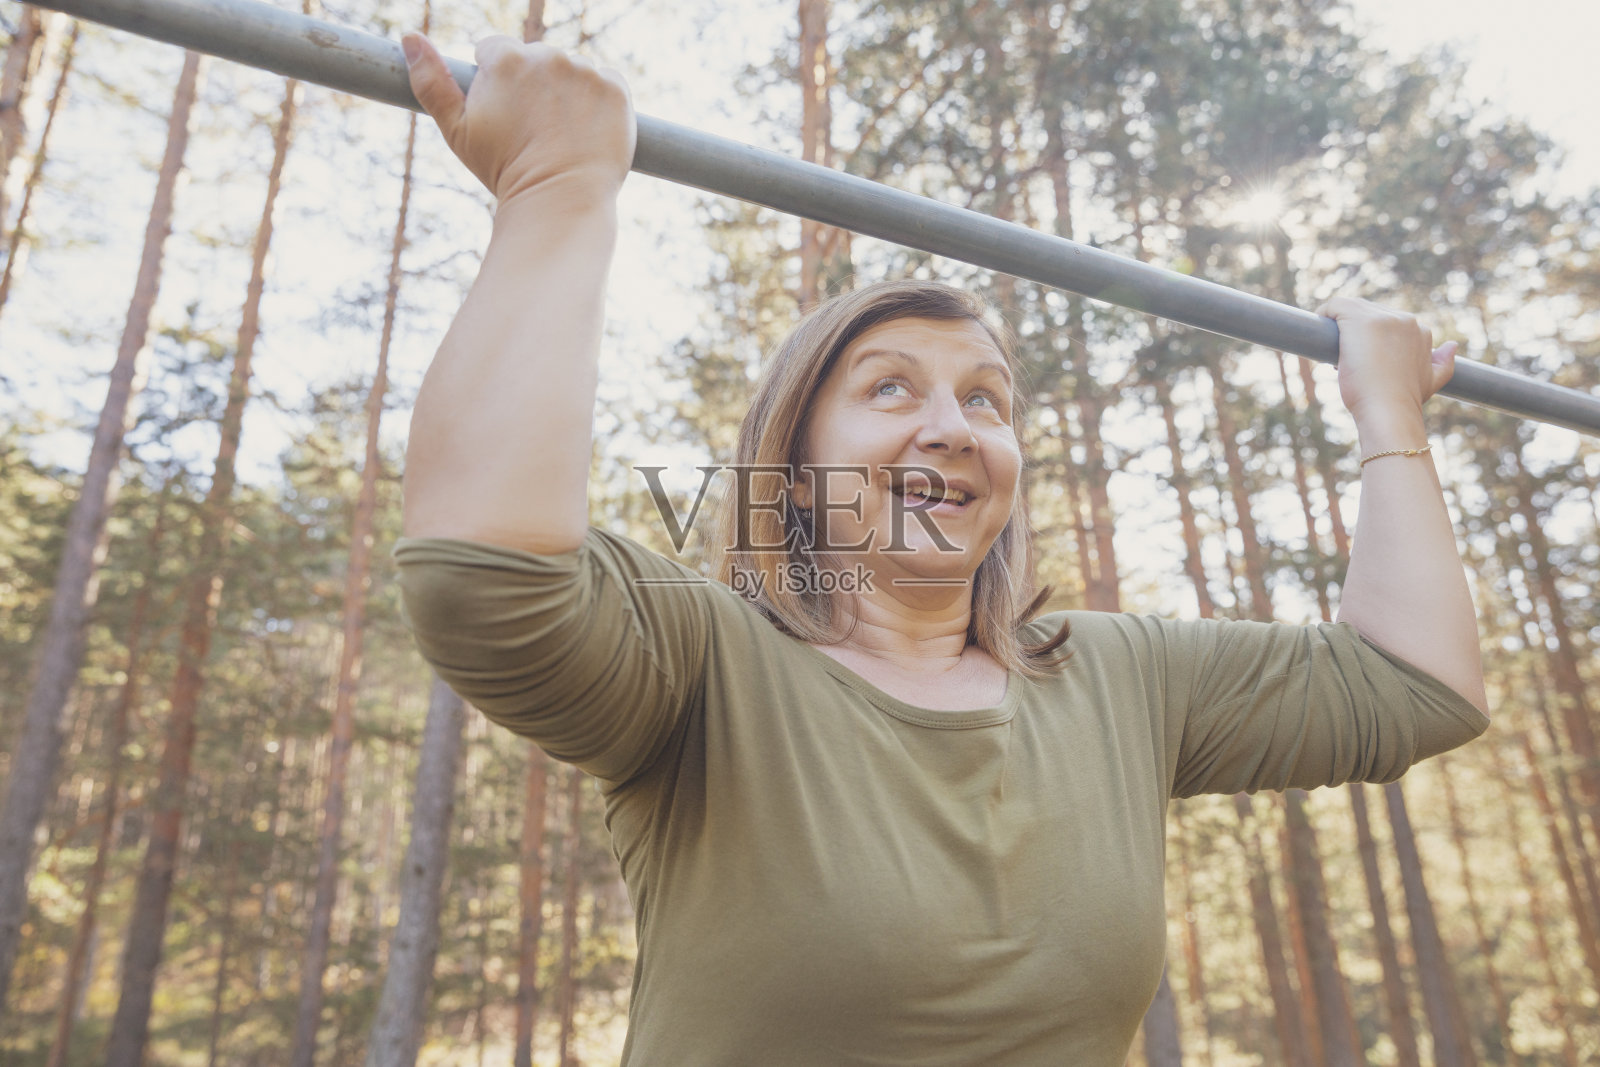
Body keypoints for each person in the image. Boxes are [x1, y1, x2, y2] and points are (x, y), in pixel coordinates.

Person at [394, 32, 1490, 1066]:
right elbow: (487, 578)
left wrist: (1389, 417)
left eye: (985, 399)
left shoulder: (1120, 677)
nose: (953, 427)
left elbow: (1415, 685)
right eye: (889, 388)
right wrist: (557, 188)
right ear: (795, 463)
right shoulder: (706, 663)